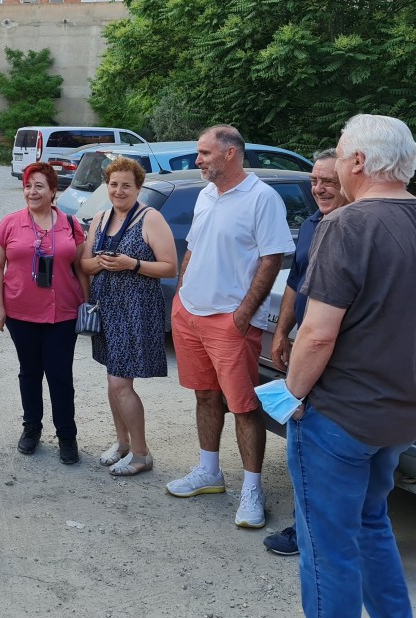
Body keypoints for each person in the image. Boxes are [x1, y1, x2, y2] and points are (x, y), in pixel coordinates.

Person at [283, 115, 416, 617]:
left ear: (360, 162)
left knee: (327, 549)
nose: (339, 165)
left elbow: (318, 333)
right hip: (404, 413)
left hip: (339, 416)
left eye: (342, 155)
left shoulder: (345, 225)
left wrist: (292, 396)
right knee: (370, 523)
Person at [166, 125, 294, 529]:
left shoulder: (262, 198)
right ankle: (210, 472)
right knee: (205, 395)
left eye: (204, 153)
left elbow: (272, 259)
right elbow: (194, 248)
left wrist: (243, 315)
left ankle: (252, 489)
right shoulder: (206, 194)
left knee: (243, 405)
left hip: (228, 321)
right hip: (190, 314)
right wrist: (181, 293)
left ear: (230, 154)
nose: (198, 160)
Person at [262, 149, 347, 557]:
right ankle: (307, 526)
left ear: (349, 180)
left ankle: (309, 532)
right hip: (307, 342)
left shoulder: (356, 229)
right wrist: (281, 331)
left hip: (337, 355)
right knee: (305, 441)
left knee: (322, 444)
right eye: (314, 181)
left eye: (328, 181)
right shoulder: (313, 224)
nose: (319, 188)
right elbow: (296, 280)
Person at [79, 156, 178, 476]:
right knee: (112, 380)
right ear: (106, 186)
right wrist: (103, 263)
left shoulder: (150, 219)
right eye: (113, 184)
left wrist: (131, 264)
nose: (119, 191)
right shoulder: (101, 217)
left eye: (126, 185)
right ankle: (122, 443)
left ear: (138, 188)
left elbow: (169, 267)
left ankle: (140, 453)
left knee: (119, 382)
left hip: (137, 310)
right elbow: (85, 264)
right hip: (107, 308)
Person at [0, 162, 89, 464]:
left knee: (60, 375)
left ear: (53, 191)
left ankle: (67, 436)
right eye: (28, 185)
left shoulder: (70, 225)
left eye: (39, 186)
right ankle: (31, 428)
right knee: (29, 372)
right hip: (21, 312)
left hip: (64, 313)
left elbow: (81, 268)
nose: (32, 191)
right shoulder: (10, 223)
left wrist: (87, 302)